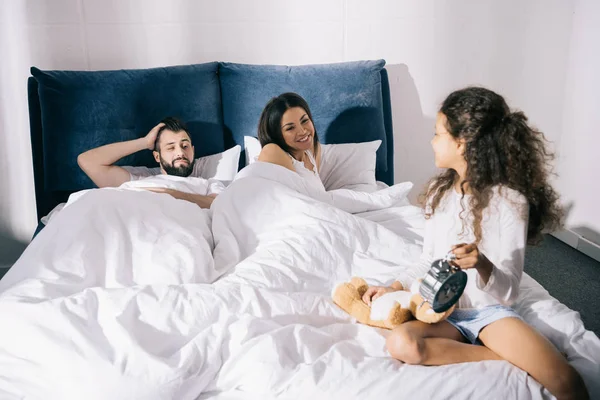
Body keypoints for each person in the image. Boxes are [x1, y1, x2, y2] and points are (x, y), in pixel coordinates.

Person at [362, 87, 588, 400]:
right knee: (401, 343)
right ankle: (508, 360)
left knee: (568, 383)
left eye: (438, 134)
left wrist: (481, 263)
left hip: (489, 313)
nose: (432, 141)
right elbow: (428, 260)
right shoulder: (441, 197)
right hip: (444, 313)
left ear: (463, 143)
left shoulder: (510, 203)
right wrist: (393, 285)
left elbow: (508, 290)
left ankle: (518, 355)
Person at [77, 117, 218, 208]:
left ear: (193, 151)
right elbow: (87, 161)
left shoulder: (208, 185)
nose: (180, 152)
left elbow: (218, 205)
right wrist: (144, 142)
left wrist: (171, 194)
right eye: (170, 147)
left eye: (185, 146)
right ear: (157, 157)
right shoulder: (141, 178)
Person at [256, 92, 324, 190]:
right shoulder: (272, 151)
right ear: (277, 135)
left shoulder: (313, 150)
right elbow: (299, 199)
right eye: (290, 128)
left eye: (304, 121)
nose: (302, 131)